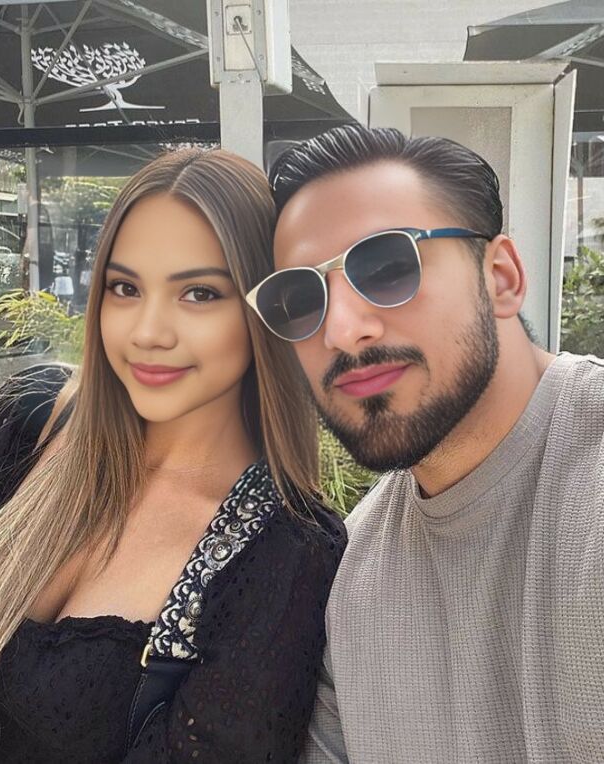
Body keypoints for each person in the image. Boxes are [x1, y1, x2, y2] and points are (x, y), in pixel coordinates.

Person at [0, 148, 346, 764]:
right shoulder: (31, 420)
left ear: (265, 310)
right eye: (125, 288)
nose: (148, 332)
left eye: (198, 293)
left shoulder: (287, 552)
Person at [245, 124, 604, 762]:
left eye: (387, 267)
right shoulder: (354, 576)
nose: (341, 330)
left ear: (500, 277)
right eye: (300, 299)